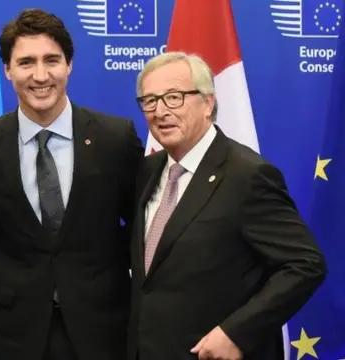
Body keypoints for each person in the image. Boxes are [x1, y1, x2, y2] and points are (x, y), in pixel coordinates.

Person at [0, 8, 144, 360]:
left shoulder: (115, 137)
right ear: (7, 70)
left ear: (69, 65)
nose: (40, 75)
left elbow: (140, 225)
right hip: (16, 330)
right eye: (26, 62)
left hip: (102, 324)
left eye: (52, 60)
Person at [128, 51, 327, 360]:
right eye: (149, 101)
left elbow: (304, 265)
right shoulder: (147, 172)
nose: (160, 111)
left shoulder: (248, 176)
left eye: (174, 97)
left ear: (208, 103)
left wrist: (237, 332)